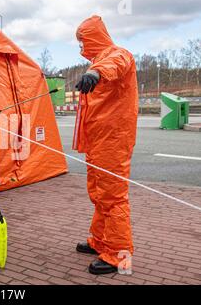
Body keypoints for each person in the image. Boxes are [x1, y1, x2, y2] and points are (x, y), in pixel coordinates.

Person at [73, 15, 138, 275]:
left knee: (113, 197)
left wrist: (95, 72)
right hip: (98, 141)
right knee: (100, 194)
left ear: (93, 38)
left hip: (113, 140)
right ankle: (100, 241)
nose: (80, 47)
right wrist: (94, 69)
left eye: (82, 41)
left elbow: (116, 63)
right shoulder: (98, 62)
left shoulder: (117, 55)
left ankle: (118, 255)